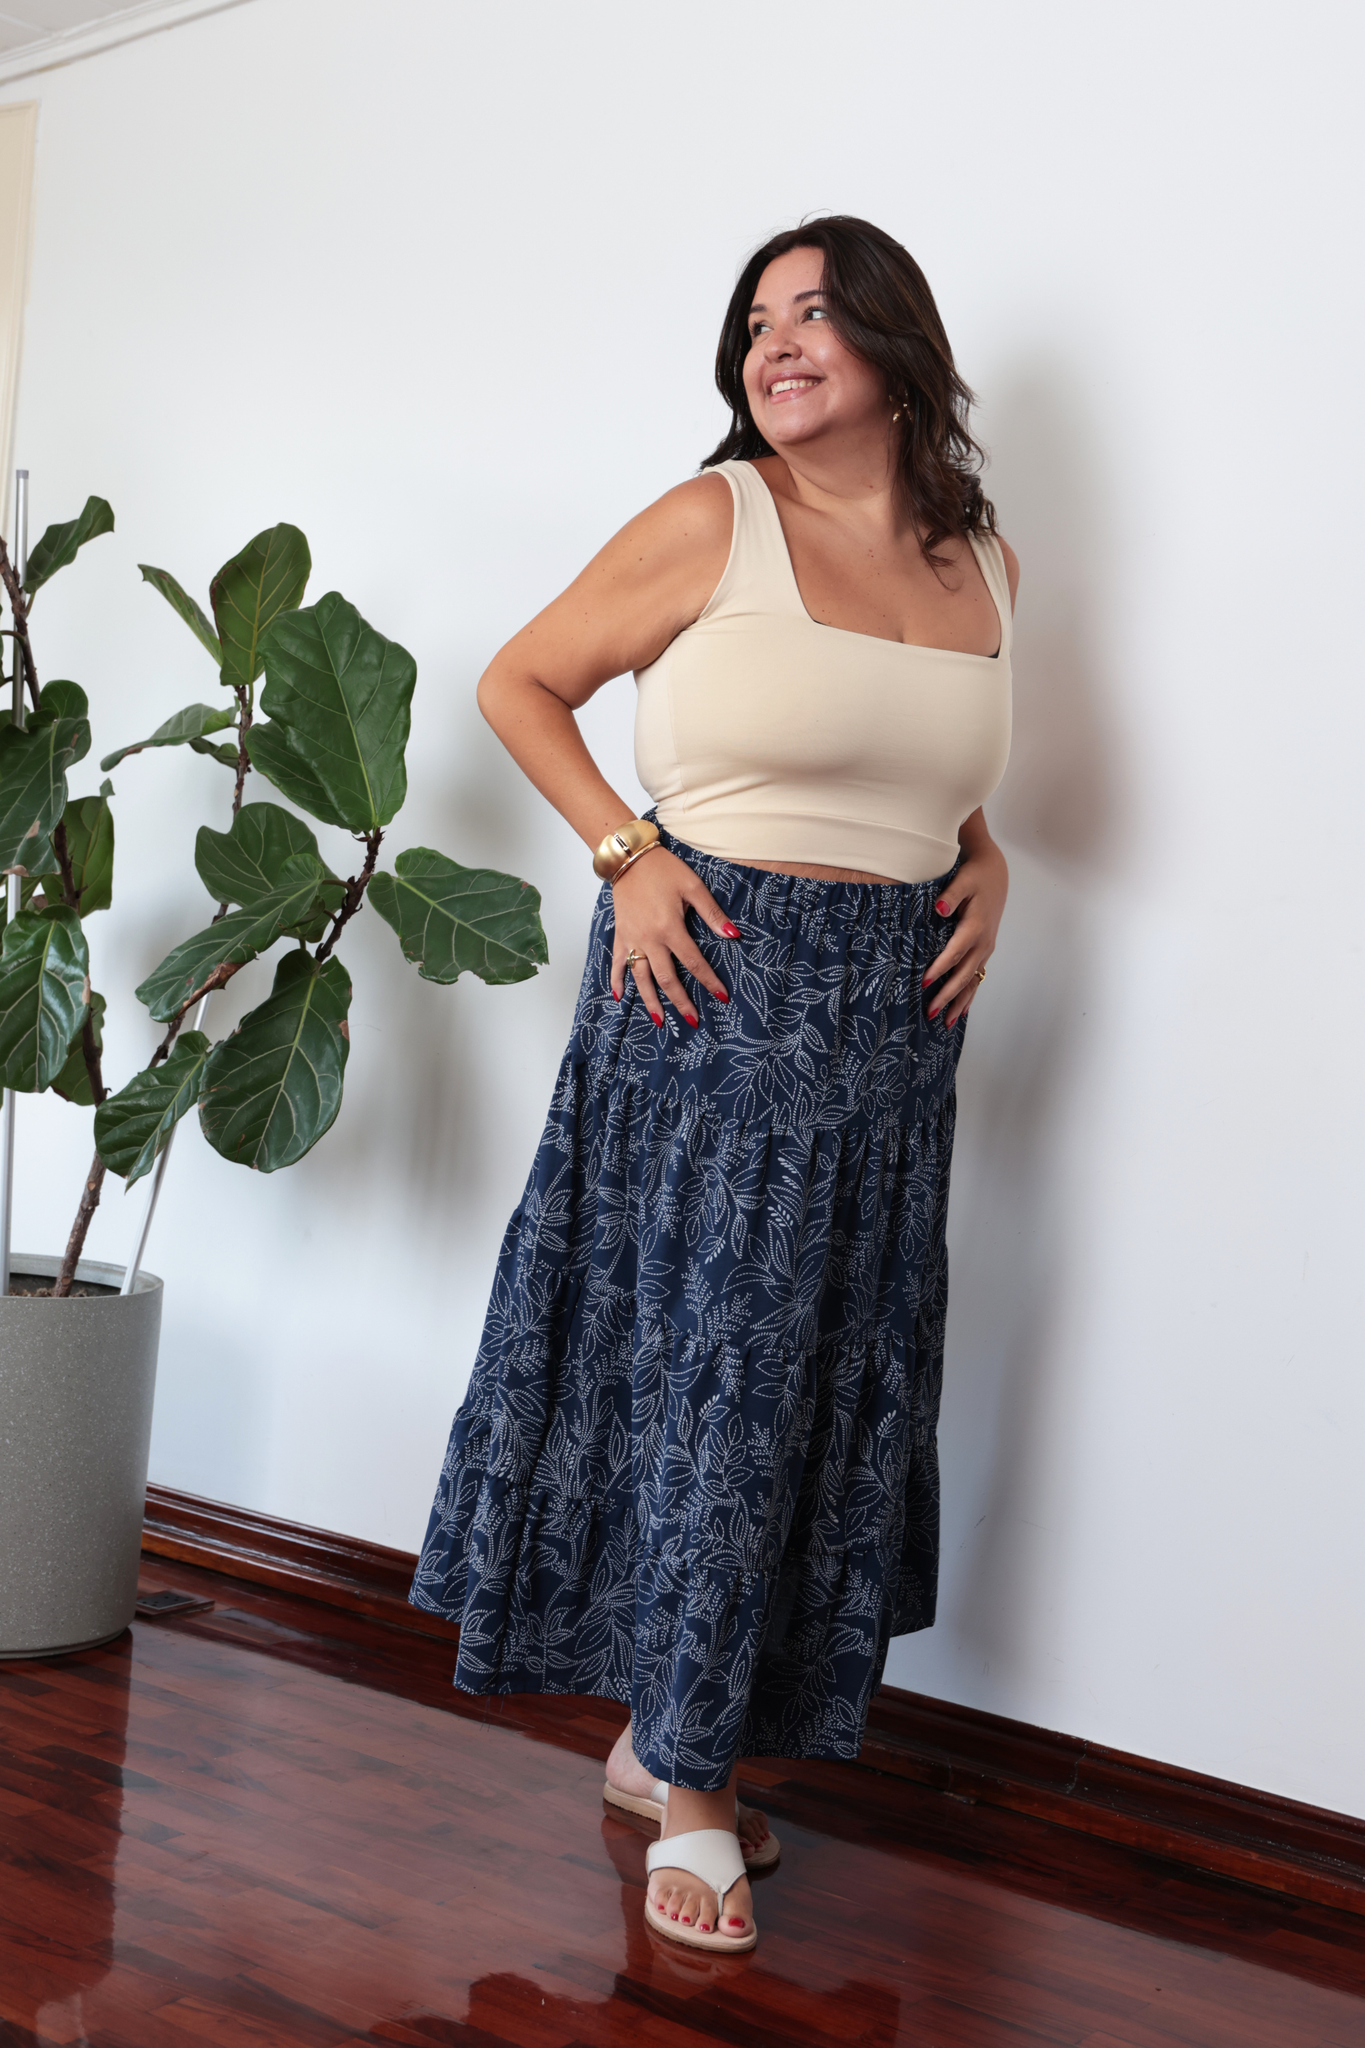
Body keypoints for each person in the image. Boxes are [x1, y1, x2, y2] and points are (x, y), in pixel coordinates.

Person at [411, 215, 1016, 1954]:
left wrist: (987, 861)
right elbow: (520, 681)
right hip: (715, 991)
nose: (779, 344)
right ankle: (692, 1789)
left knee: (822, 1389)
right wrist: (628, 854)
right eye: (758, 322)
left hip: (894, 1032)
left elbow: (927, 762)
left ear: (899, 346)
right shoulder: (714, 519)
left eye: (817, 313)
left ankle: (662, 1738)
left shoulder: (983, 562)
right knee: (715, 1388)